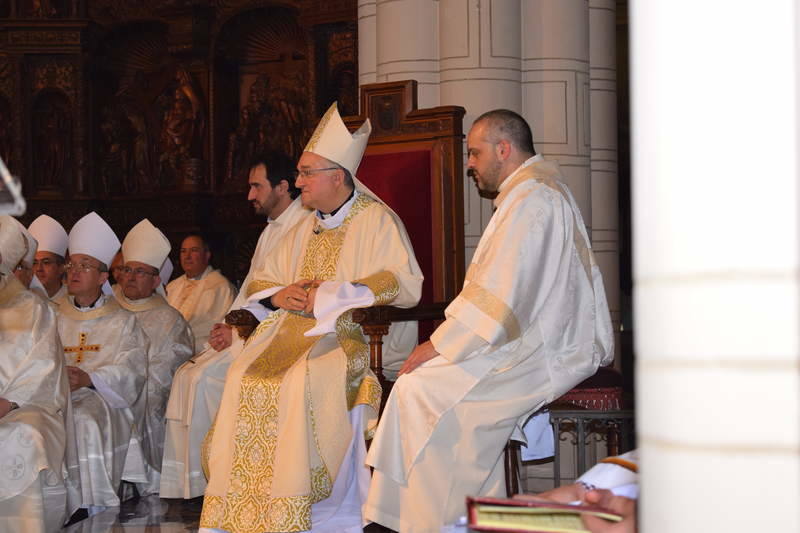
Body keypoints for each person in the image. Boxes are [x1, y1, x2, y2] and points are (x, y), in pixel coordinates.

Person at [364, 109, 614, 532]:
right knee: (418, 387)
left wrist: (439, 345)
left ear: (504, 149)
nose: (469, 165)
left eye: (475, 153)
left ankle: (444, 521)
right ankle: (417, 517)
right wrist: (446, 344)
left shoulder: (534, 199)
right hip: (522, 336)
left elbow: (502, 298)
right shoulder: (528, 194)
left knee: (428, 392)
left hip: (546, 345)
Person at [199, 103, 423, 533]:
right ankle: (247, 511)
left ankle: (311, 510)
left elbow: (402, 282)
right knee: (243, 373)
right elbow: (263, 281)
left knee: (298, 379)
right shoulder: (302, 224)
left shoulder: (376, 221)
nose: (297, 182)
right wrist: (279, 294)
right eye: (299, 174)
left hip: (349, 336)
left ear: (337, 177)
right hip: (287, 332)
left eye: (306, 173)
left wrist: (331, 295)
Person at [160, 151, 311, 499]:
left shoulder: (303, 229)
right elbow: (250, 291)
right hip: (251, 329)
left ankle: (224, 482)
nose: (250, 196)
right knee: (186, 374)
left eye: (256, 186)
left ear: (282, 187)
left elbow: (288, 294)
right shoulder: (272, 230)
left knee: (204, 379)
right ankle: (191, 485)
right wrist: (228, 323)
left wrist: (239, 327)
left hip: (277, 333)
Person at [56, 211, 149, 514]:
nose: (74, 271)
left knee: (82, 419)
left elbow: (132, 369)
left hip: (102, 398)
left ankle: (92, 504)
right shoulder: (52, 318)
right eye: (71, 264)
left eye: (85, 266)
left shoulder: (123, 320)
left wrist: (90, 379)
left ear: (103, 277)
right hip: (56, 395)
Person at [0, 216, 72, 532]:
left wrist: (8, 402)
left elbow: (44, 368)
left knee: (23, 438)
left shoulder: (34, 308)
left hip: (24, 407)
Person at [116, 219, 194, 496]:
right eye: (127, 269)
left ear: (156, 280)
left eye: (140, 271)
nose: (131, 277)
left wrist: (126, 385)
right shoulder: (105, 310)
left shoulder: (169, 319)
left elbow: (167, 372)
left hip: (141, 393)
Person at [166, 234, 236, 349]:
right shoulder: (172, 287)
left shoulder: (221, 287)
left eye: (194, 250)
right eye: (183, 251)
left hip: (203, 354)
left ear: (207, 255)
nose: (187, 256)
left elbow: (227, 331)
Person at [28, 214, 69, 300]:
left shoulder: (75, 302)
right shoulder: (23, 301)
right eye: (34, 263)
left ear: (61, 268)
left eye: (46, 262)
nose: (39, 268)